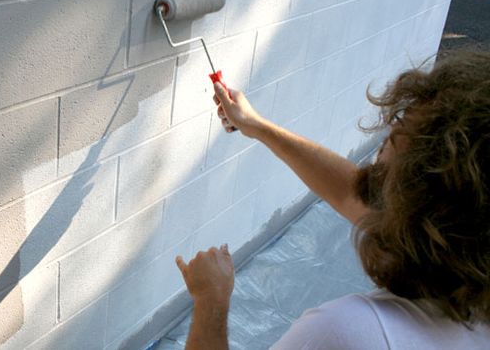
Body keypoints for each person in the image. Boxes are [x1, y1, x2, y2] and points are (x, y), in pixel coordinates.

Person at [175, 51, 490, 349]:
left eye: (406, 126)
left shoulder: (349, 335)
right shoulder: (470, 273)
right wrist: (257, 126)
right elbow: (352, 192)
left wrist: (211, 300)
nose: (391, 128)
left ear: (425, 199)